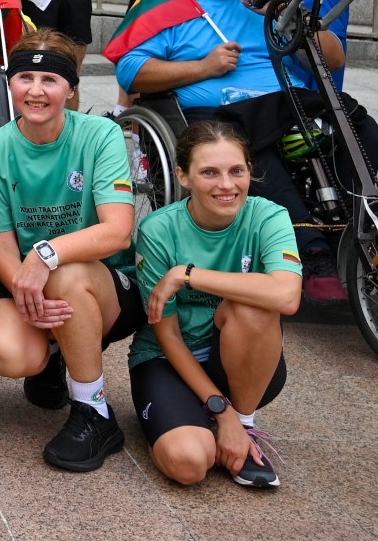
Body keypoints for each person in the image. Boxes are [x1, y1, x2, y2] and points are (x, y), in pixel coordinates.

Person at [112, 0, 377, 302]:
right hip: (219, 112)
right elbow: (130, 71)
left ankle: (365, 225)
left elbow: (333, 59)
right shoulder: (170, 3)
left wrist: (289, 16)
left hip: (288, 101)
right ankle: (310, 249)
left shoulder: (264, 2)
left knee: (357, 129)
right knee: (250, 152)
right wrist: (203, 67)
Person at [0, 29, 140, 472]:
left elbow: (118, 232)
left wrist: (44, 254)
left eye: (49, 80)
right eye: (25, 77)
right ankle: (51, 356)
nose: (36, 90)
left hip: (103, 285)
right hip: (31, 284)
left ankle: (94, 411)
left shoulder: (101, 134)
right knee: (7, 350)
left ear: (70, 88)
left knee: (65, 272)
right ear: (10, 83)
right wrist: (24, 290)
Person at [129, 121, 301, 489]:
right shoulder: (158, 230)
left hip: (242, 361)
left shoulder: (269, 216)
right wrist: (221, 413)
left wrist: (187, 274)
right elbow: (168, 336)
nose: (226, 185)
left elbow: (287, 296)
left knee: (253, 305)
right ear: (183, 176)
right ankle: (212, 422)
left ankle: (246, 425)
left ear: (249, 171)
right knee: (189, 464)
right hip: (169, 360)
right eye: (209, 172)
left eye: (236, 171)